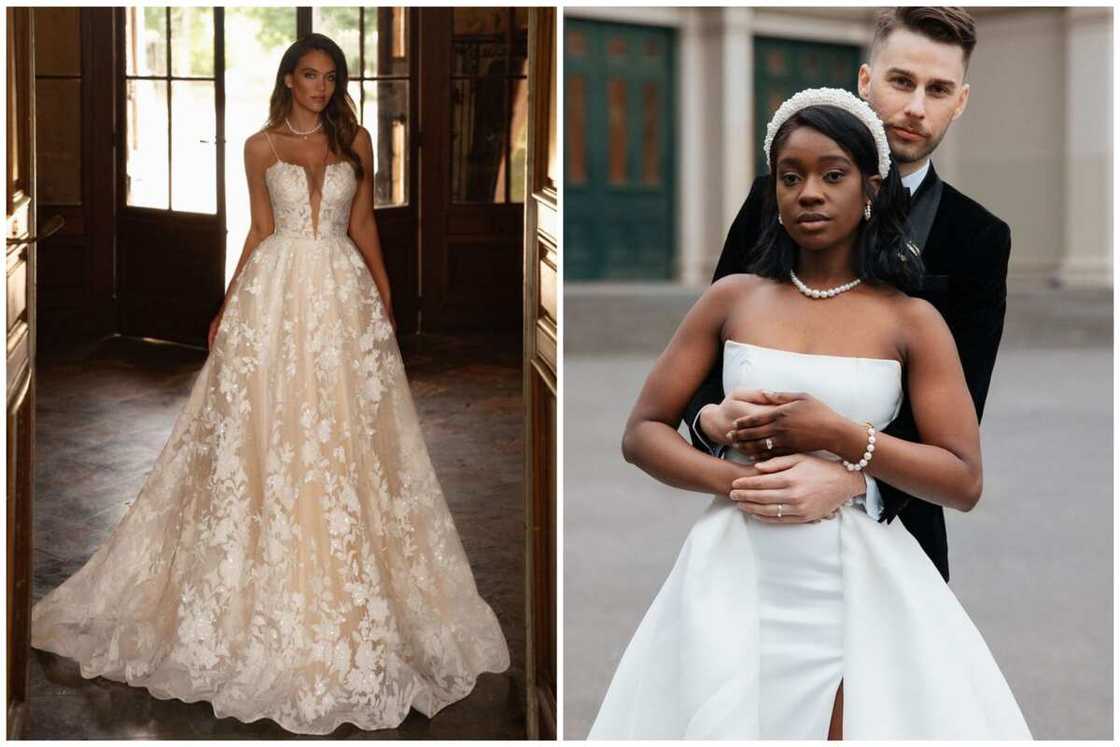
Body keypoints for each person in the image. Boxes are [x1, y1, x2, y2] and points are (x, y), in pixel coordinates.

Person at [31, 33, 509, 735]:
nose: (321, 87)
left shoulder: (358, 140)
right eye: (310, 76)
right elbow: (258, 230)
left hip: (340, 292)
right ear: (289, 79)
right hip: (277, 296)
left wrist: (382, 286)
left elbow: (364, 221)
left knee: (347, 434)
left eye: (330, 77)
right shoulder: (259, 147)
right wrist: (229, 303)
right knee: (269, 432)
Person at [587, 88, 1030, 739]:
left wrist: (842, 437)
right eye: (790, 177)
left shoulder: (912, 321)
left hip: (857, 579)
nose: (809, 193)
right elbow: (642, 432)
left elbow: (963, 478)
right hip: (735, 567)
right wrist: (737, 480)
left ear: (872, 190)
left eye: (832, 174)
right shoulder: (732, 299)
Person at [684, 7, 1010, 582]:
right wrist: (711, 419)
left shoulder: (979, 237)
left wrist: (858, 480)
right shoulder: (774, 199)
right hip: (755, 525)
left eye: (938, 90)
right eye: (901, 81)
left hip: (895, 538)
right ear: (865, 82)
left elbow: (961, 416)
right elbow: (709, 359)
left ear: (960, 102)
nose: (916, 107)